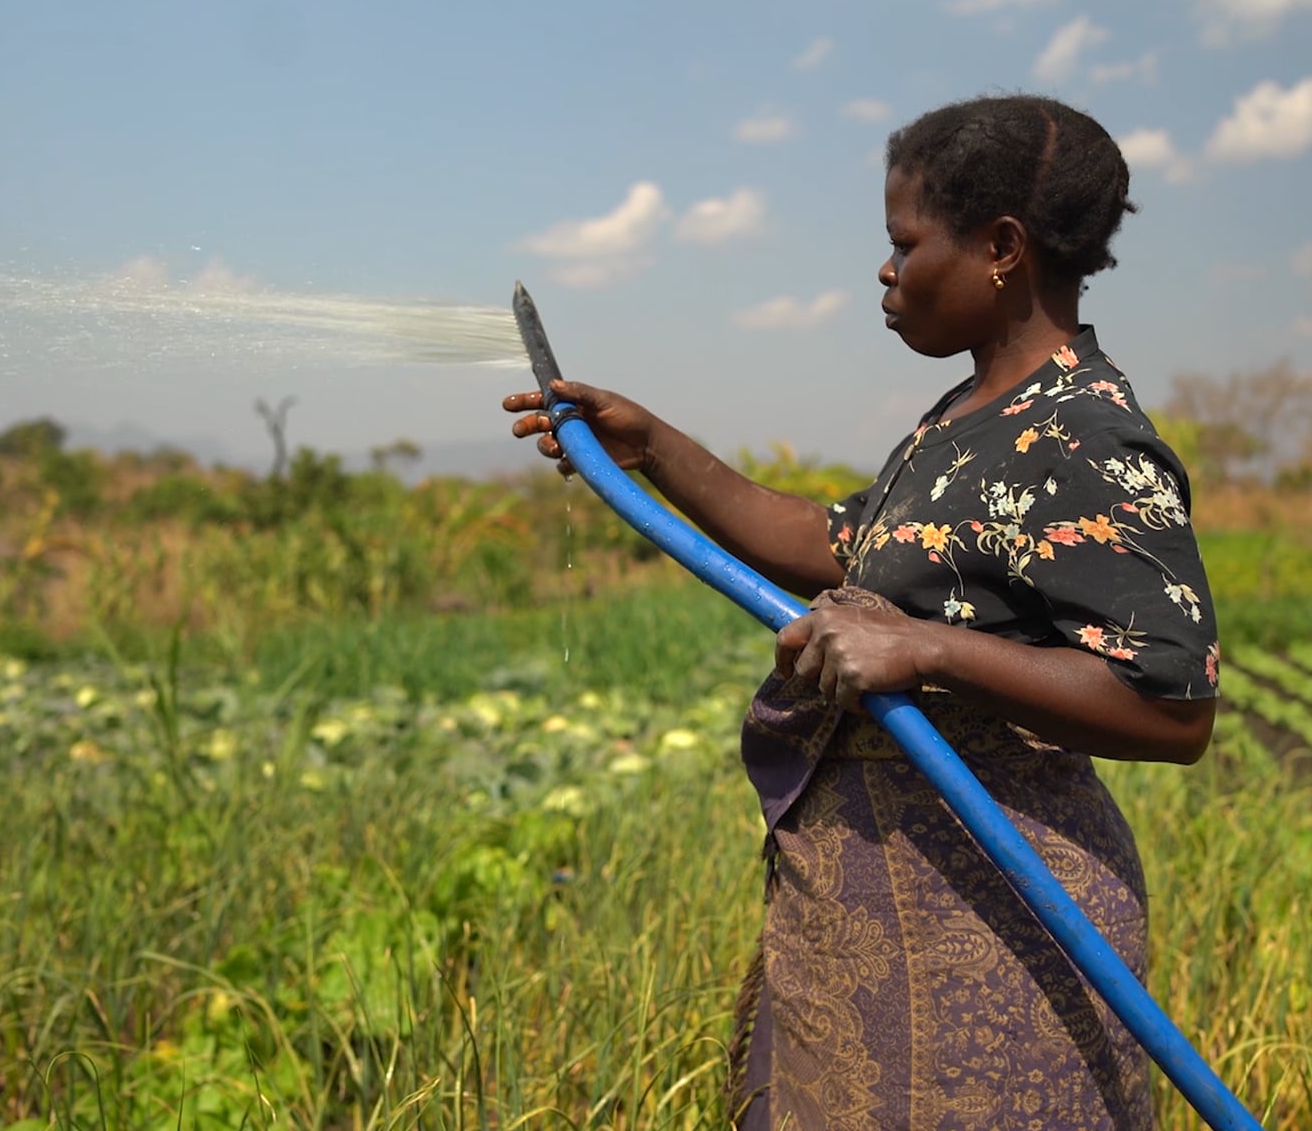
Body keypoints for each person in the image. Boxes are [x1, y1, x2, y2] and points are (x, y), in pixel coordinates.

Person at [503, 94, 1219, 1131]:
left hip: (997, 921)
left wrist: (927, 649)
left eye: (903, 244)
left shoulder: (1083, 434)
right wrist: (649, 444)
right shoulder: (968, 421)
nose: (885, 272)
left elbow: (1171, 707)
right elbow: (829, 546)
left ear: (1003, 247)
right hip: (877, 913)